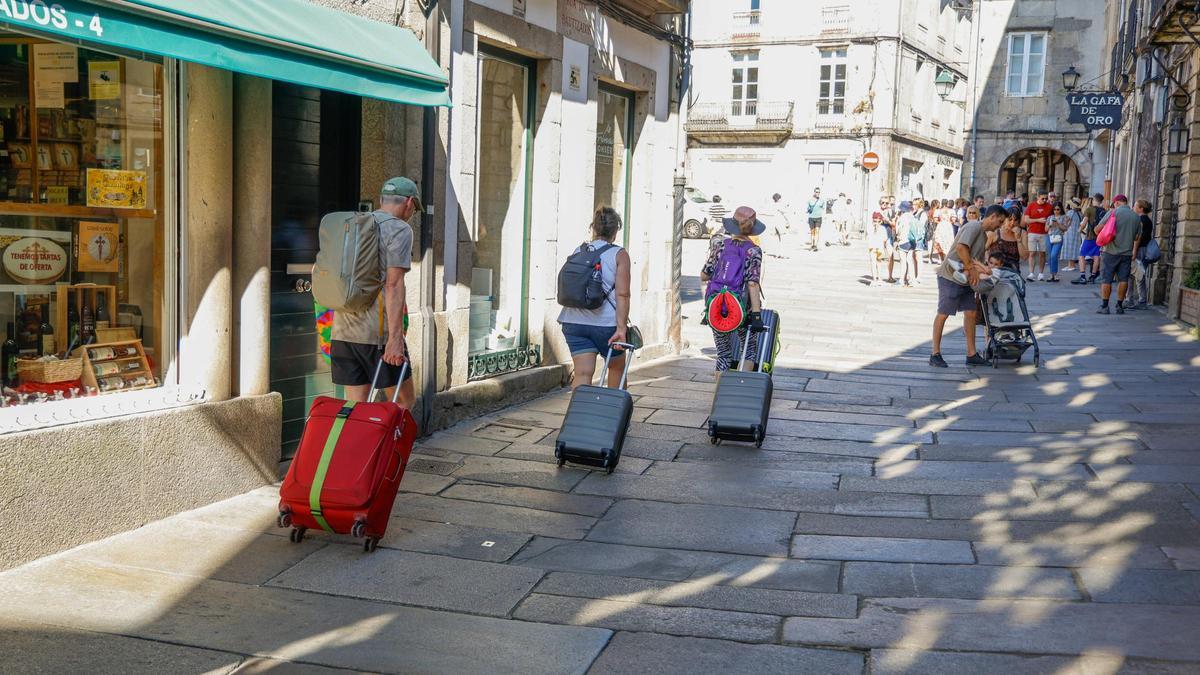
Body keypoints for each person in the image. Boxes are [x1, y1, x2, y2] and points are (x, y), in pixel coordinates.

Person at [330, 177, 419, 407]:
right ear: (409, 202)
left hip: (343, 331)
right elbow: (393, 284)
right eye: (414, 208)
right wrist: (395, 339)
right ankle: (391, 445)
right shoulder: (400, 230)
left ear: (381, 199)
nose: (411, 213)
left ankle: (362, 445)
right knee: (403, 401)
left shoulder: (351, 224)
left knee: (356, 408)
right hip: (376, 335)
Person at [559, 206, 632, 388]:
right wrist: (621, 329)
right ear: (615, 231)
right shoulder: (619, 254)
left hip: (573, 321)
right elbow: (622, 294)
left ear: (594, 228)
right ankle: (614, 415)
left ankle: (580, 415)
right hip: (606, 326)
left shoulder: (579, 251)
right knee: (616, 369)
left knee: (582, 373)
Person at [931, 204, 1006, 367]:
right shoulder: (973, 227)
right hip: (950, 276)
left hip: (965, 278)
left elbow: (975, 258)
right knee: (943, 313)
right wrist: (972, 269)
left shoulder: (984, 236)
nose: (999, 226)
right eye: (999, 222)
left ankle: (971, 354)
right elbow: (961, 248)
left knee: (971, 312)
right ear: (992, 217)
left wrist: (982, 271)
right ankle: (935, 353)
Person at [701, 206, 764, 370]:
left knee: (723, 354)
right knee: (748, 350)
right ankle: (740, 389)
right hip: (742, 307)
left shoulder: (719, 245)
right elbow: (752, 283)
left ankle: (718, 393)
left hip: (717, 305)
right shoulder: (753, 250)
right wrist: (756, 315)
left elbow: (704, 275)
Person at [1097, 194, 1140, 315]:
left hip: (1110, 251)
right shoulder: (1135, 217)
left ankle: (1105, 306)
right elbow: (1137, 236)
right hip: (1126, 253)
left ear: (1116, 202)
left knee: (1107, 279)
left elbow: (1098, 228)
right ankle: (1119, 306)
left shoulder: (1113, 213)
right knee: (1123, 279)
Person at [1073, 193, 1105, 284]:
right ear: (1101, 201)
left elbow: (1084, 223)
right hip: (1100, 237)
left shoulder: (1089, 209)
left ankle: (1083, 276)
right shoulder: (1104, 211)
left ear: (1094, 200)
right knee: (1096, 256)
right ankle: (1093, 276)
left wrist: (1079, 230)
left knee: (1081, 255)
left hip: (1090, 236)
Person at [1129, 199, 1155, 310]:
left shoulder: (1140, 220)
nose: (1133, 207)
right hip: (1144, 249)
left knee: (1136, 275)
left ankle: (1139, 300)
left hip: (1139, 249)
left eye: (1135, 206)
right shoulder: (1148, 220)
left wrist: (1134, 253)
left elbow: (1137, 239)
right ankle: (1134, 299)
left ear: (1141, 209)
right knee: (1138, 274)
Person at [1024, 191, 1053, 281]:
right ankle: (1031, 273)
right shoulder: (1031, 205)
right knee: (1032, 253)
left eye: (1046, 198)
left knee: (1042, 253)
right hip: (1032, 232)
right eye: (1042, 198)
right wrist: (1038, 220)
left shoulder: (1049, 206)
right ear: (1038, 197)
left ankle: (1041, 273)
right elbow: (1026, 220)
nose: (1044, 200)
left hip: (1044, 233)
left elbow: (1052, 218)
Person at [988, 206, 1023, 271]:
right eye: (1010, 219)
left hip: (1012, 271)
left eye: (1015, 220)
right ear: (1004, 219)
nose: (1012, 223)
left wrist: (1018, 239)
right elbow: (984, 249)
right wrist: (988, 263)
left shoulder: (1022, 233)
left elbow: (1024, 257)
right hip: (994, 270)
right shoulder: (995, 232)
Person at [1045, 203, 1069, 282]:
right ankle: (1051, 275)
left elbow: (1065, 229)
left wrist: (1058, 224)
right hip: (1049, 237)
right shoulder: (1049, 217)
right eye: (1054, 209)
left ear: (1061, 209)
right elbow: (1045, 229)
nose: (1056, 211)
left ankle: (1054, 274)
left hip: (1058, 238)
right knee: (1050, 257)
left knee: (1054, 255)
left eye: (1058, 209)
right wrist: (1050, 225)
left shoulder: (1064, 217)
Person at [1061, 198, 1083, 273]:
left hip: (1070, 232)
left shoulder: (1070, 212)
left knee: (1069, 248)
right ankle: (1070, 264)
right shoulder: (1080, 214)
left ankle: (1071, 265)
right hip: (1077, 232)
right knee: (1074, 248)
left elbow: (1066, 222)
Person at [867, 210, 887, 285]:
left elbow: (868, 237)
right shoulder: (882, 228)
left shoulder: (869, 228)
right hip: (880, 248)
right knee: (879, 263)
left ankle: (874, 279)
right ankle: (880, 278)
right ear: (881, 221)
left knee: (873, 263)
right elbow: (885, 239)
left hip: (872, 248)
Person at [805, 187, 824, 251]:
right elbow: (807, 209)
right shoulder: (810, 200)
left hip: (818, 218)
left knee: (817, 231)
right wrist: (807, 210)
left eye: (819, 192)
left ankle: (815, 245)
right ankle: (812, 245)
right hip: (811, 218)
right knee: (812, 232)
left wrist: (825, 216)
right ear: (814, 192)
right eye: (816, 192)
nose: (818, 193)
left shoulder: (822, 200)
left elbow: (823, 209)